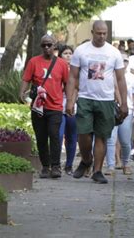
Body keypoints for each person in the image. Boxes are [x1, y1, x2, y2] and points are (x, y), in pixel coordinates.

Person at [66, 20, 128, 184]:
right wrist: (70, 101)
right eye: (98, 33)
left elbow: (121, 79)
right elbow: (72, 77)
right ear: (92, 32)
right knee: (83, 134)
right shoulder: (81, 50)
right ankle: (86, 160)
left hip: (106, 100)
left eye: (104, 33)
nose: (101, 36)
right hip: (86, 98)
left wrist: (124, 103)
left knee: (102, 136)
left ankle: (97, 171)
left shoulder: (113, 52)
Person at [20, 35, 69, 178]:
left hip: (55, 107)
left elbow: (67, 83)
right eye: (44, 45)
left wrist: (70, 100)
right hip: (38, 106)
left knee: (54, 135)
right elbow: (26, 79)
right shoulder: (34, 61)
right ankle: (45, 167)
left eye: (49, 45)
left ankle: (56, 166)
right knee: (41, 137)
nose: (46, 48)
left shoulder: (61, 64)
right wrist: (22, 92)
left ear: (55, 46)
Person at [106, 54, 134, 175]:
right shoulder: (109, 75)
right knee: (111, 139)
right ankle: (110, 166)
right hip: (111, 110)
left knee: (125, 141)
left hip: (128, 111)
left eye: (125, 60)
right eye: (120, 60)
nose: (123, 63)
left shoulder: (132, 78)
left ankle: (126, 163)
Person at [57, 45, 77, 176]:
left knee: (72, 137)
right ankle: (56, 163)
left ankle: (69, 165)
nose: (68, 55)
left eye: (70, 53)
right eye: (65, 53)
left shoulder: (76, 70)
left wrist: (72, 102)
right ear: (60, 56)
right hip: (58, 106)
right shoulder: (56, 69)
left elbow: (77, 88)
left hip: (73, 108)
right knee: (58, 136)